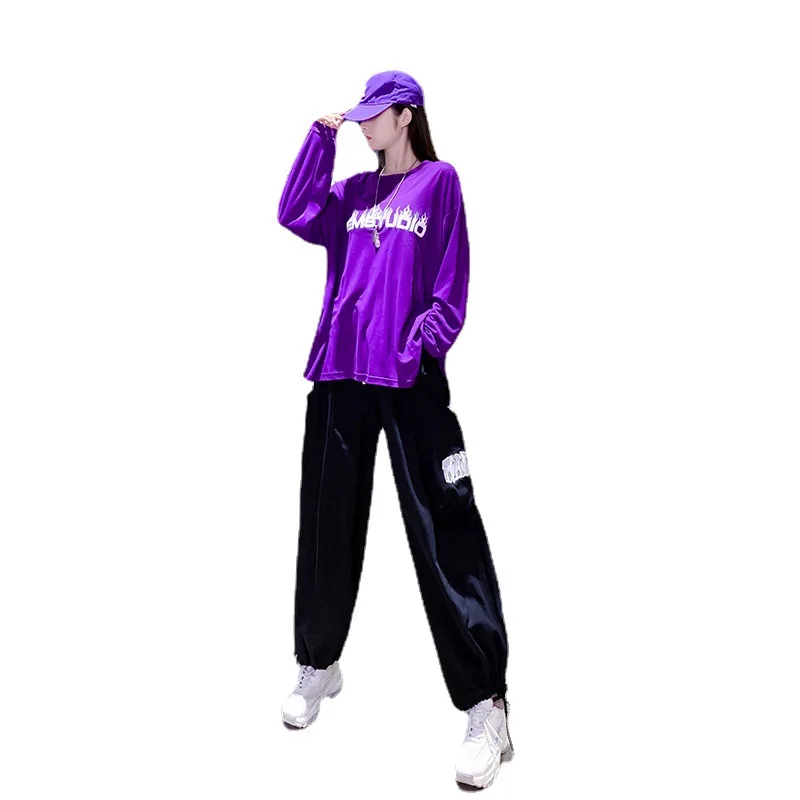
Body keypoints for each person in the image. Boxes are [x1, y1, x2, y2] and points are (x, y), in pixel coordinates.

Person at [276, 70, 514, 789]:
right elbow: (294, 212)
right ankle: (319, 661)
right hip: (341, 374)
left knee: (446, 529)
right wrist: (320, 140)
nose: (364, 126)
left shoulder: (438, 183)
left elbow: (451, 285)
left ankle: (487, 704)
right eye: (360, 116)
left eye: (374, 115)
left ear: (406, 116)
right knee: (327, 524)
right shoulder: (351, 193)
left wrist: (419, 349)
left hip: (408, 381)